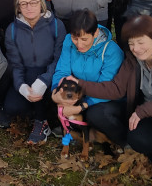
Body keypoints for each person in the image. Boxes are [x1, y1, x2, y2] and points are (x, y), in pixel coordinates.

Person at [57, 14, 152, 186]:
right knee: (136, 137)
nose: (136, 48)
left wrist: (143, 111)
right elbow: (115, 88)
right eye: (131, 43)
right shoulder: (133, 60)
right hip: (150, 115)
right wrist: (80, 84)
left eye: (141, 42)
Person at [50, 9, 124, 147]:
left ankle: (120, 139)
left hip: (106, 98)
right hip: (79, 92)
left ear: (95, 33)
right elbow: (62, 71)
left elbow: (106, 88)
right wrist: (55, 93)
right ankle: (76, 130)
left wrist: (81, 107)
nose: (79, 44)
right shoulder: (68, 41)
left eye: (84, 39)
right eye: (75, 38)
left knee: (95, 114)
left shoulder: (111, 51)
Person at [3, 0, 66, 144]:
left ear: (41, 4)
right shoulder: (12, 30)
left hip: (52, 75)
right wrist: (22, 87)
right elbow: (15, 65)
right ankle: (42, 110)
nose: (29, 7)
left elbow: (60, 58)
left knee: (37, 75)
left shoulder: (57, 26)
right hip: (27, 76)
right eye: (23, 4)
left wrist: (44, 80)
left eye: (33, 2)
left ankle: (41, 121)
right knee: (11, 107)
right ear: (18, 7)